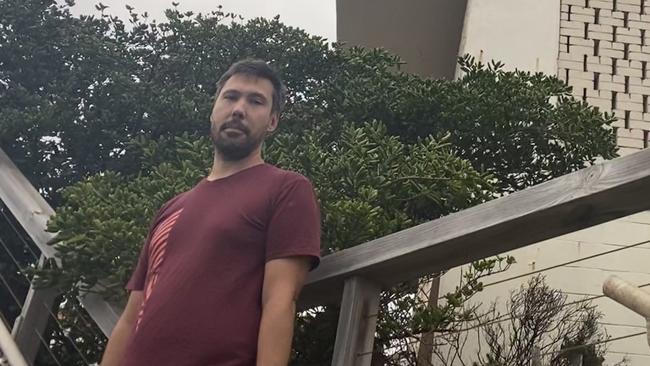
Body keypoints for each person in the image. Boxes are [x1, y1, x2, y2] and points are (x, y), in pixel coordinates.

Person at [100, 59, 321, 366]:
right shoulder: (171, 209)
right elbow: (129, 318)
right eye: (230, 97)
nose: (239, 109)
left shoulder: (286, 188)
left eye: (256, 101)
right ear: (213, 109)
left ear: (272, 121)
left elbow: (280, 302)